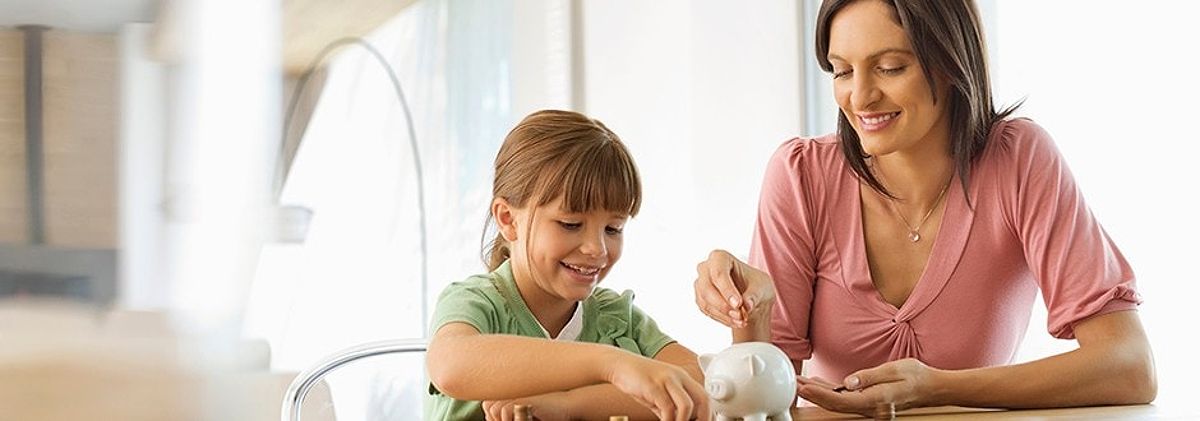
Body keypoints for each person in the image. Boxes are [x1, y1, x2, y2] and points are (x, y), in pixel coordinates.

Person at [692, 0, 1156, 417]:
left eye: (890, 67)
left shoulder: (1018, 161)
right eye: (842, 71)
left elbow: (1130, 365)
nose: (860, 96)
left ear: (951, 63)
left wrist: (936, 389)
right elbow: (770, 402)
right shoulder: (800, 175)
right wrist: (752, 312)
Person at [426, 110, 710, 421]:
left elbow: (699, 381)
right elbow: (450, 366)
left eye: (613, 229)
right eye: (571, 224)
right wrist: (612, 365)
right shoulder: (477, 303)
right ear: (508, 219)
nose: (596, 249)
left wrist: (568, 405)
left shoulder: (616, 318)